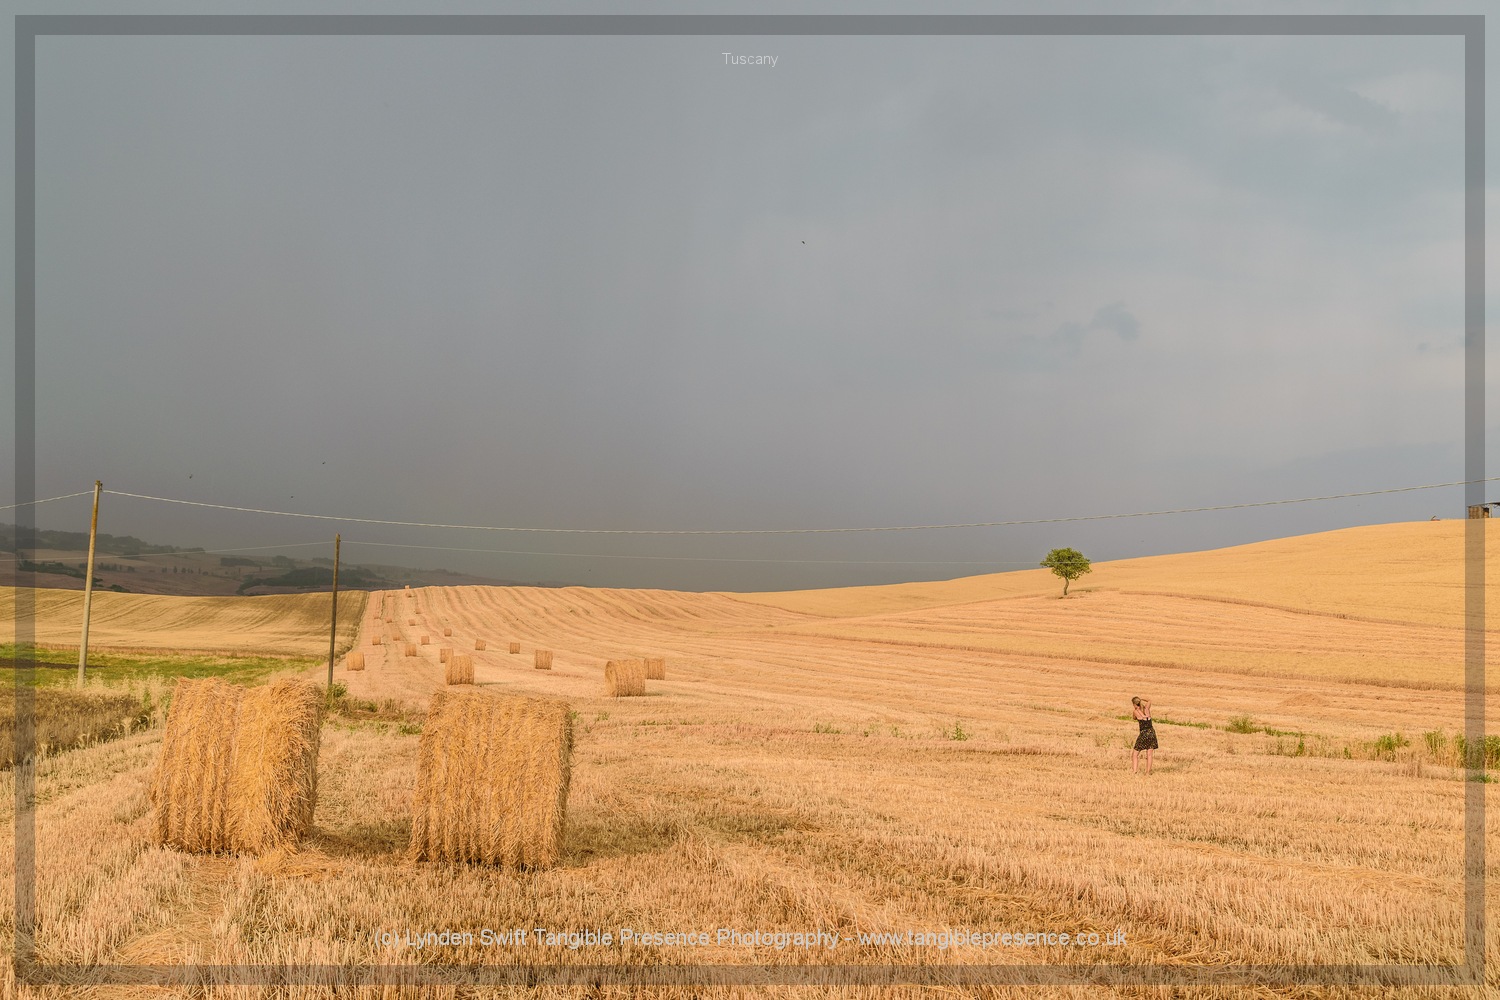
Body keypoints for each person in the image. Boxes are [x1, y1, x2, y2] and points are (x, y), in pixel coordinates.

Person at [1131, 696, 1157, 774]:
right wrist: (1141, 699)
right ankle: (1148, 772)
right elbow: (1149, 700)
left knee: (1135, 754)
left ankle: (1134, 771)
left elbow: (1134, 718)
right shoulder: (1147, 709)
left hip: (1144, 733)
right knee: (1149, 754)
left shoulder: (1135, 711)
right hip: (1152, 732)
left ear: (1134, 704)